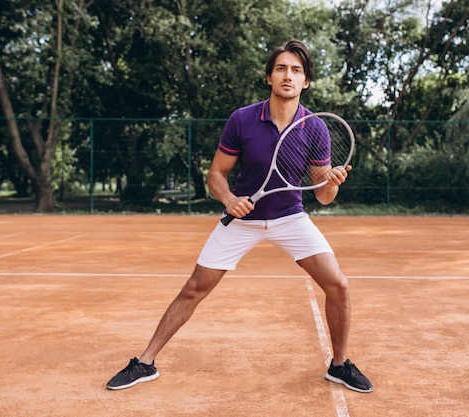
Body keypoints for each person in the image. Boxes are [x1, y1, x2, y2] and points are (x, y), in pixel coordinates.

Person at [106, 40, 373, 394]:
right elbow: (216, 174)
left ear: (305, 81)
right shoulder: (243, 119)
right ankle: (145, 362)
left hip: (291, 218)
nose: (288, 75)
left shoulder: (316, 128)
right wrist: (229, 198)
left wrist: (333, 182)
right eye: (281, 68)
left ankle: (339, 365)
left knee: (338, 285)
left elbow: (322, 196)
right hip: (242, 219)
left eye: (296, 70)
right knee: (194, 289)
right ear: (269, 77)